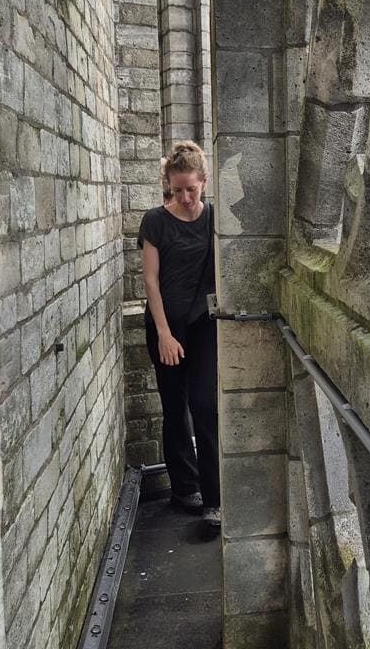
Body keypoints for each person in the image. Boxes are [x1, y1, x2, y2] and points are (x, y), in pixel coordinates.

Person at [138, 141, 220, 528]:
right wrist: (164, 334)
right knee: (175, 408)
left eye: (191, 189)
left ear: (204, 182)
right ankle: (185, 488)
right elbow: (150, 281)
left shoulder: (214, 219)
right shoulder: (155, 221)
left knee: (204, 404)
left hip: (202, 323)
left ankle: (214, 499)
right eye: (176, 190)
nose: (185, 198)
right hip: (164, 325)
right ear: (168, 187)